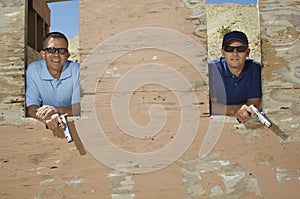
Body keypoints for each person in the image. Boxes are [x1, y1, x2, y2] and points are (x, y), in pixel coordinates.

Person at [26, 32, 80, 130]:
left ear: (67, 55)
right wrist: (47, 117)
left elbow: (80, 107)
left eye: (62, 51)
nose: (56, 55)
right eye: (51, 50)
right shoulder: (34, 70)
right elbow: (31, 107)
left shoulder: (77, 70)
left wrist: (57, 110)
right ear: (43, 54)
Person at [208, 30, 262, 123]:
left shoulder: (255, 69)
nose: (235, 53)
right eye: (229, 49)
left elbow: (253, 105)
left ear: (248, 52)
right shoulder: (212, 69)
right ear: (223, 52)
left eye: (240, 49)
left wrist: (225, 109)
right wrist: (235, 110)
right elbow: (211, 107)